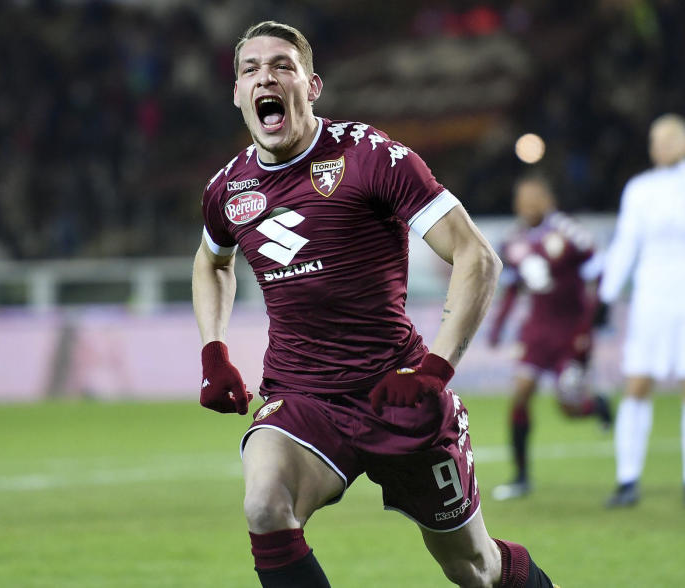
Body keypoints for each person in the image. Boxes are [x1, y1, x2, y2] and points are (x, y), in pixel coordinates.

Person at [192, 21, 558, 588]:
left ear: (312, 86)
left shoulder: (369, 156)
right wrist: (214, 353)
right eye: (250, 69)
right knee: (265, 505)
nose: (265, 75)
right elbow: (211, 262)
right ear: (237, 94)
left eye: (282, 65)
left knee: (475, 569)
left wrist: (434, 370)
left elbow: (476, 257)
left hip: (399, 392)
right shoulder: (228, 190)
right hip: (302, 394)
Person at [487, 174, 612, 501]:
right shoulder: (512, 241)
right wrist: (498, 326)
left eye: (534, 199)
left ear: (547, 200)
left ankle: (595, 406)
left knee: (568, 408)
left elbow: (600, 274)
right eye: (522, 200)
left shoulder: (569, 232)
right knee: (521, 394)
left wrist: (589, 327)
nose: (528, 206)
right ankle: (521, 477)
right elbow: (513, 287)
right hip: (537, 331)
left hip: (571, 332)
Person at [598, 113, 685, 508]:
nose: (661, 145)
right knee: (637, 384)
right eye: (656, 138)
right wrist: (607, 293)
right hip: (650, 296)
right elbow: (626, 244)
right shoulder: (640, 188)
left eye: (669, 138)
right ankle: (627, 479)